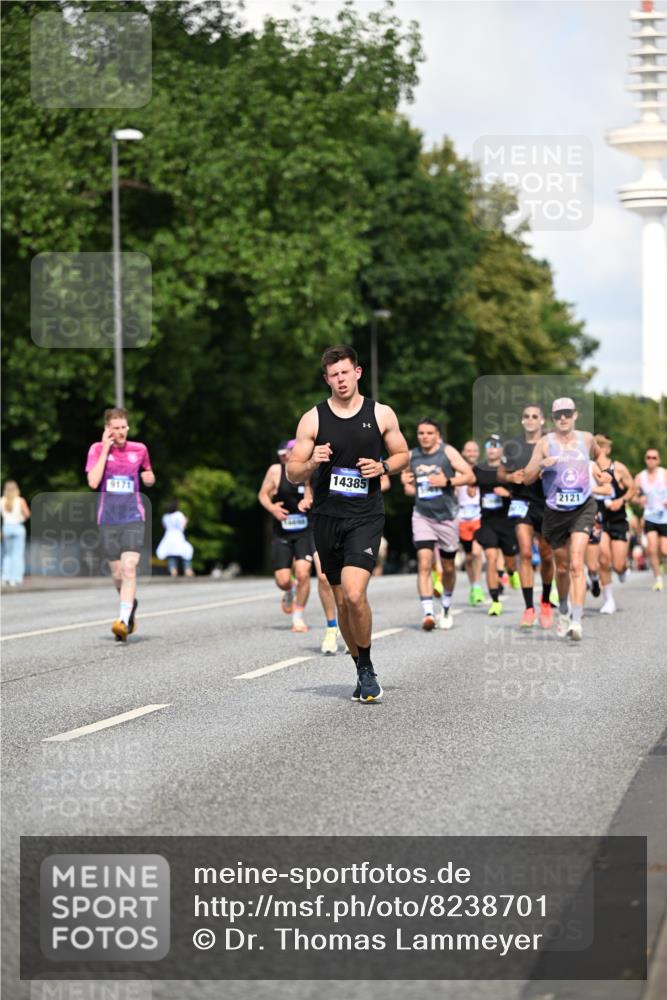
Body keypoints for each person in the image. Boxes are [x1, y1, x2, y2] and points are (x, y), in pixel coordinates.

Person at [287, 344, 409, 703]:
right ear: (326, 379)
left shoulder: (381, 413)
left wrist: (384, 466)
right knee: (341, 602)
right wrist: (312, 463)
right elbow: (293, 471)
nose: (340, 380)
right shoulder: (313, 419)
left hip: (366, 516)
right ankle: (359, 667)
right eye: (333, 375)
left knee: (356, 595)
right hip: (327, 518)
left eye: (345, 372)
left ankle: (368, 667)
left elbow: (403, 454)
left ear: (357, 372)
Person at [523, 398, 605, 641]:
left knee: (577, 563)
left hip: (583, 507)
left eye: (567, 414)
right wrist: (540, 465)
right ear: (553, 418)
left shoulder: (587, 439)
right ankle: (564, 611)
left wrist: (604, 472)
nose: (563, 418)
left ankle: (577, 621)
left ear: (575, 415)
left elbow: (600, 457)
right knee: (562, 567)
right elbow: (526, 478)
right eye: (559, 415)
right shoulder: (544, 443)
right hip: (555, 512)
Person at [85, 408, 154, 641]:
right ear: (107, 429)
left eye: (124, 427)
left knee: (129, 568)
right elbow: (94, 481)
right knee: (117, 574)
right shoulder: (96, 449)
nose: (121, 432)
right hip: (108, 520)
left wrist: (150, 478)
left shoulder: (140, 449)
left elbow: (149, 473)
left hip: (133, 517)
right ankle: (130, 605)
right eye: (115, 428)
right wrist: (106, 447)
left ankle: (123, 621)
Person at [401, 418, 474, 630]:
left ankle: (446, 606)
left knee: (449, 567)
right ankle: (428, 613)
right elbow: (405, 478)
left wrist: (448, 482)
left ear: (437, 435)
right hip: (422, 515)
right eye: (421, 433)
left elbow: (469, 476)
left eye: (429, 433)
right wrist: (408, 481)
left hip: (447, 517)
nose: (424, 436)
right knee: (424, 561)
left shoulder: (448, 452)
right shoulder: (412, 455)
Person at [499, 404, 555, 629]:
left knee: (547, 556)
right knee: (524, 552)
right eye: (526, 416)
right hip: (521, 502)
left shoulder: (551, 444)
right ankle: (529, 607)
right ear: (522, 421)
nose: (530, 419)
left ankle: (546, 602)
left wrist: (549, 470)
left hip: (547, 503)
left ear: (542, 420)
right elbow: (500, 474)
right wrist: (511, 477)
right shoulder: (513, 446)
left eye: (534, 416)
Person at [258, 439, 318, 635]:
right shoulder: (275, 471)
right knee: (282, 580)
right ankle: (289, 590)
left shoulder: (307, 470)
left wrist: (308, 501)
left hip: (304, 530)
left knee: (303, 572)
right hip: (282, 530)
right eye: (286, 452)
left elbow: (312, 494)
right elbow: (263, 495)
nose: (288, 455)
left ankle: (298, 617)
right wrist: (273, 508)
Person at [472, 435, 519, 617]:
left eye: (495, 446)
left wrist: (507, 494)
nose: (492, 449)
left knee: (509, 560)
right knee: (490, 558)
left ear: (501, 449)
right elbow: (469, 480)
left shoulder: (510, 468)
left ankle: (512, 572)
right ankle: (495, 601)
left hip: (507, 522)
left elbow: (521, 491)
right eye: (488, 445)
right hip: (488, 522)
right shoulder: (479, 469)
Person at [593, 435, 635, 614]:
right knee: (603, 560)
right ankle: (609, 600)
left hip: (617, 519)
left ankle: (623, 568)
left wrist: (621, 500)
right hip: (599, 519)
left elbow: (632, 488)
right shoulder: (589, 468)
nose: (599, 450)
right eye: (596, 446)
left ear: (608, 450)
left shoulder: (618, 468)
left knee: (617, 564)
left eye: (602, 446)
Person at [634, 447, 667, 592]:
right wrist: (639, 499)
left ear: (658, 460)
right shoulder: (640, 477)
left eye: (654, 457)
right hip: (650, 516)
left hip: (665, 516)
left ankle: (659, 563)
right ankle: (658, 579)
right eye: (648, 457)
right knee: (652, 548)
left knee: (664, 550)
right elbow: (632, 495)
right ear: (645, 459)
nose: (651, 460)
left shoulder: (664, 474)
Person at [457, 441, 485, 605]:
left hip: (478, 515)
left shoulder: (483, 470)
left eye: (475, 450)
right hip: (461, 517)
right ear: (463, 453)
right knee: (468, 557)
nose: (472, 453)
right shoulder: (458, 471)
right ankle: (473, 585)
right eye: (469, 450)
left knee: (476, 552)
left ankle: (478, 586)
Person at [1, 481, 31, 586]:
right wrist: (21, 517)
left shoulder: (2, 501)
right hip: (18, 527)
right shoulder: (20, 500)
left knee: (7, 554)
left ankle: (5, 577)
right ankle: (16, 578)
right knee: (17, 554)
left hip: (6, 527)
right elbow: (27, 514)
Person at [156, 500, 194, 577]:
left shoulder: (165, 516)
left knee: (171, 554)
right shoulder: (179, 515)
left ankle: (173, 570)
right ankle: (187, 569)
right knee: (186, 551)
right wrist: (186, 521)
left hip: (169, 536)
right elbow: (182, 527)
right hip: (178, 536)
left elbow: (165, 527)